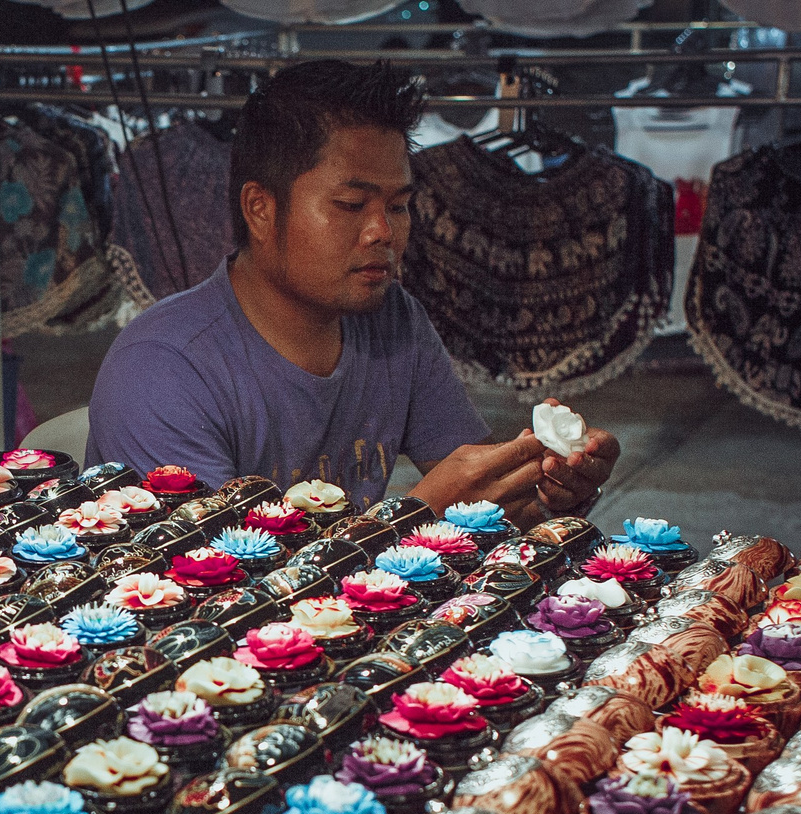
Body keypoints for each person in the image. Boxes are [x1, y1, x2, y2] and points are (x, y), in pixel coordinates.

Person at [85, 60, 615, 528]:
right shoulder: (163, 371)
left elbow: (488, 506)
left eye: (400, 206)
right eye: (351, 204)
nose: (383, 232)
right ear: (260, 209)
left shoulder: (393, 322)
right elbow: (215, 598)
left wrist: (550, 486)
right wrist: (415, 515)